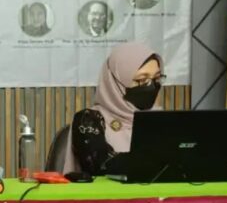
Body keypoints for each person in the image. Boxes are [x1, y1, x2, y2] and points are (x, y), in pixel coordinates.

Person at [62, 43, 165, 175]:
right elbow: (103, 165)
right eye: (142, 80)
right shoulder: (88, 121)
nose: (151, 86)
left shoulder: (161, 120)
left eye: (156, 78)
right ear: (115, 82)